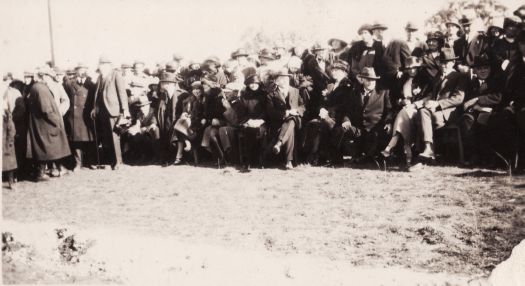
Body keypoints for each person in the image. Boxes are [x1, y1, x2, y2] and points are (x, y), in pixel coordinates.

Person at [417, 48, 468, 161]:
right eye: (441, 62)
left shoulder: (459, 76)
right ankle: (424, 150)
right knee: (419, 112)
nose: (443, 65)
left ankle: (429, 149)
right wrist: (425, 102)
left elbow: (459, 98)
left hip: (450, 113)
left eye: (447, 62)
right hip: (435, 111)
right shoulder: (438, 77)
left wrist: (438, 104)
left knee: (425, 114)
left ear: (453, 62)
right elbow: (432, 94)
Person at [333, 67, 392, 163]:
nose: (371, 82)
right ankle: (340, 157)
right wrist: (346, 121)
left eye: (373, 80)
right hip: (358, 128)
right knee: (341, 129)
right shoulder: (355, 92)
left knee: (375, 144)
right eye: (368, 80)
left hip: (375, 129)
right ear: (362, 80)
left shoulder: (383, 92)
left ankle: (368, 156)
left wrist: (388, 122)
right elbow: (348, 111)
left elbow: (389, 111)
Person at [381, 57, 430, 169]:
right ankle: (408, 158)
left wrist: (415, 104)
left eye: (414, 68)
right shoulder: (402, 80)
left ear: (418, 68)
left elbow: (428, 96)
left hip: (418, 110)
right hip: (404, 110)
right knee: (404, 115)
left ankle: (390, 145)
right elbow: (395, 97)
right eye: (409, 68)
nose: (412, 71)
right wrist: (401, 101)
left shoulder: (424, 80)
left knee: (404, 113)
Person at [302, 60, 352, 165]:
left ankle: (318, 157)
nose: (333, 72)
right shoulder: (330, 85)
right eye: (333, 70)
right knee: (313, 124)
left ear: (343, 72)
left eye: (336, 70)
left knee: (322, 125)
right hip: (326, 116)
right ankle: (314, 156)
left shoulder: (348, 85)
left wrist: (328, 112)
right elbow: (322, 101)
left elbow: (345, 105)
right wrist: (321, 109)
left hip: (339, 117)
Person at [26, 66, 71, 181]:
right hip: (46, 124)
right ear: (44, 76)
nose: (51, 79)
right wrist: (56, 120)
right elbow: (46, 109)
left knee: (48, 147)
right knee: (47, 147)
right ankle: (40, 173)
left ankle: (59, 168)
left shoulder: (37, 87)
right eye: (50, 77)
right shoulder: (41, 89)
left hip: (42, 124)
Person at [88, 55, 131, 170]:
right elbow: (97, 95)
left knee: (114, 137)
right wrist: (95, 108)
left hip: (113, 110)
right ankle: (111, 161)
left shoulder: (116, 75)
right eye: (100, 65)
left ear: (108, 65)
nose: (101, 67)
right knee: (106, 138)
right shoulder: (100, 78)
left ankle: (118, 162)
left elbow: (122, 93)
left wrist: (125, 109)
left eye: (103, 65)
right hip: (102, 111)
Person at [460, 54, 502, 165]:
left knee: (485, 121)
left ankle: (490, 157)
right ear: (474, 70)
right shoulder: (472, 83)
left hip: (492, 111)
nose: (483, 71)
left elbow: (497, 97)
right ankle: (473, 155)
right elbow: (467, 100)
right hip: (475, 111)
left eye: (486, 68)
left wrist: (477, 99)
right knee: (467, 119)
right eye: (479, 68)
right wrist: (474, 105)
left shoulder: (495, 82)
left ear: (490, 69)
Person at [267, 69, 305, 169]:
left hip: (296, 120)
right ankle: (289, 161)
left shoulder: (295, 91)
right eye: (281, 79)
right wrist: (286, 113)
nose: (284, 80)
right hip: (280, 122)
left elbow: (302, 106)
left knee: (292, 120)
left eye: (286, 78)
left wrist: (296, 110)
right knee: (290, 125)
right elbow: (271, 112)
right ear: (276, 81)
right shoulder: (271, 94)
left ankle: (279, 143)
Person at [63, 63, 95, 171]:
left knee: (89, 140)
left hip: (86, 115)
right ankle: (78, 163)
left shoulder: (91, 84)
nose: (82, 72)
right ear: (76, 71)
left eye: (84, 69)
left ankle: (90, 162)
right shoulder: (69, 84)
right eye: (80, 70)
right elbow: (65, 99)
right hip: (74, 116)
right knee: (76, 141)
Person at [155, 71, 188, 166]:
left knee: (175, 133)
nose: (161, 84)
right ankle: (166, 158)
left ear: (169, 84)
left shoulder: (183, 94)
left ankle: (179, 157)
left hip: (179, 123)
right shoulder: (163, 95)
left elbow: (186, 111)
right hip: (165, 123)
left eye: (163, 82)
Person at [234, 75, 268, 165]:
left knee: (261, 131)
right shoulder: (244, 97)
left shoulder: (264, 95)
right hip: (248, 121)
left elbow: (267, 110)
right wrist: (249, 121)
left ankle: (261, 160)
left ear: (259, 84)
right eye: (250, 84)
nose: (253, 85)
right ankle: (250, 161)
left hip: (262, 121)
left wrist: (261, 121)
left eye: (255, 83)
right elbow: (241, 113)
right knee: (248, 130)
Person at [124, 95, 159, 164]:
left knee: (155, 130)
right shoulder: (139, 114)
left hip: (151, 133)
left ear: (148, 105)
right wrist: (132, 129)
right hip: (143, 133)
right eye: (140, 106)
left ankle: (156, 157)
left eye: (144, 106)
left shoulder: (153, 112)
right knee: (133, 134)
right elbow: (138, 123)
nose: (142, 108)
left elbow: (153, 123)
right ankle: (141, 156)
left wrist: (145, 128)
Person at [3, 80, 19, 188]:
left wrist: (10, 139)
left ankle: (11, 180)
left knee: (9, 160)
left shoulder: (6, 114)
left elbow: (11, 127)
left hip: (6, 138)